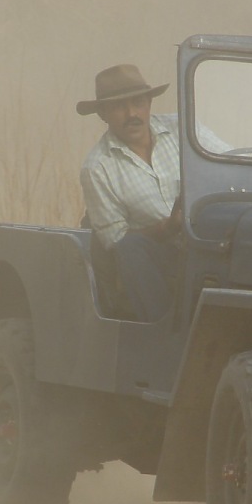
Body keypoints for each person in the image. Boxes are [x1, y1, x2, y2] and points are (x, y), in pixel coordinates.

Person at [77, 64, 227, 322]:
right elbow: (115, 240)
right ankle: (164, 333)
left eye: (138, 102)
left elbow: (228, 163)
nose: (131, 114)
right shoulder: (97, 168)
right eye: (118, 107)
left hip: (214, 243)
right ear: (102, 113)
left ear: (149, 102)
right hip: (163, 258)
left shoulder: (186, 131)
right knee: (130, 247)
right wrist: (167, 228)